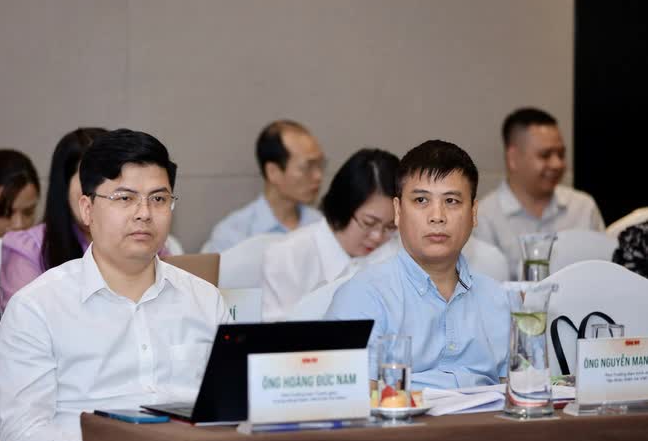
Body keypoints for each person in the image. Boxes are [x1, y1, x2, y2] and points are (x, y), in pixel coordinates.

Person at [0, 129, 226, 441]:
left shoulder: (205, 300)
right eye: (124, 198)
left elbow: (229, 413)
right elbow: (24, 437)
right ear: (87, 209)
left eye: (159, 199)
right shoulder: (36, 308)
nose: (144, 213)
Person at [326, 140, 510, 390]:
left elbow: (521, 397)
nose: (437, 216)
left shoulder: (499, 300)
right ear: (398, 211)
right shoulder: (363, 298)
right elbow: (352, 401)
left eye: (451, 201)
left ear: (474, 213)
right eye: (422, 200)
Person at [262, 148, 400, 321]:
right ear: (343, 206)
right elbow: (276, 332)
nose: (378, 237)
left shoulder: (397, 252)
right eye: (369, 223)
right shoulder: (288, 256)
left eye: (390, 226)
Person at [474, 107, 605, 278]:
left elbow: (604, 273)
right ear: (513, 158)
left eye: (561, 154)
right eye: (545, 155)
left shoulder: (583, 208)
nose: (557, 164)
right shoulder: (484, 216)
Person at [0, 128, 106, 307]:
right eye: (89, 180)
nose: (101, 192)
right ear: (64, 185)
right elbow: (25, 318)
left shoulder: (139, 239)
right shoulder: (28, 249)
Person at [201, 119, 324, 252]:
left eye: (320, 165)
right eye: (307, 167)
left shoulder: (322, 226)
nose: (318, 176)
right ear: (273, 172)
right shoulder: (233, 236)